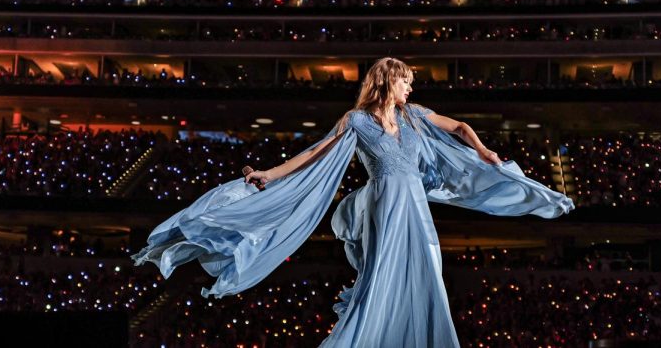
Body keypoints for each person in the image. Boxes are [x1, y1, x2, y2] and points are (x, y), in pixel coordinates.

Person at [131, 57, 574, 346]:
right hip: (384, 204)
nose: (410, 89)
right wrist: (268, 173)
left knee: (428, 270)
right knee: (381, 273)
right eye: (405, 83)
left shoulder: (415, 116)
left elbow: (458, 126)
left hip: (416, 206)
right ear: (387, 81)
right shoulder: (357, 121)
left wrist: (485, 152)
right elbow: (313, 154)